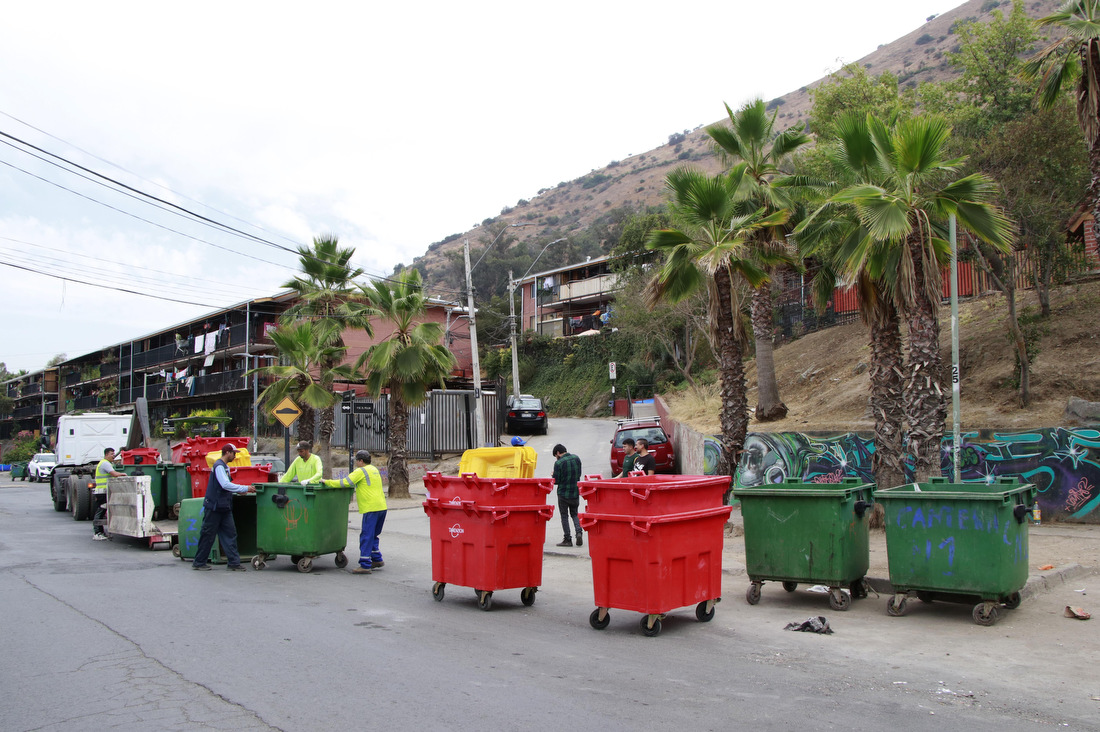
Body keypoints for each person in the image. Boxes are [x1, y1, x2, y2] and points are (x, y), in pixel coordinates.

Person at [192, 445, 255, 571]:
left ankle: (233, 562)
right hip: (214, 507)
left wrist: (238, 492)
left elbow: (225, 487)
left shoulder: (225, 467)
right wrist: (244, 488)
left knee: (230, 534)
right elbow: (225, 485)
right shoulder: (219, 466)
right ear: (227, 452)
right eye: (233, 453)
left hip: (223, 506)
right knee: (208, 535)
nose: (235, 456)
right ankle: (199, 562)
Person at [323, 450, 386, 574]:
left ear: (360, 461)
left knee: (366, 536)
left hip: (371, 508)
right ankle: (377, 559)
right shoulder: (374, 469)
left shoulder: (360, 471)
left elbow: (345, 483)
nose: (356, 463)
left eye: (356, 460)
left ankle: (365, 565)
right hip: (382, 507)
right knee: (373, 535)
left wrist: (327, 482)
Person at [551, 444, 583, 547]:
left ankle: (567, 539)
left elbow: (556, 481)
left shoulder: (558, 463)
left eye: (556, 456)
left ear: (558, 453)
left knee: (564, 516)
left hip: (563, 493)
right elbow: (579, 474)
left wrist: (553, 475)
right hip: (575, 492)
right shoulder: (576, 458)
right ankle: (579, 532)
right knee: (574, 514)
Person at [92, 447, 125, 540]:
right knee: (101, 511)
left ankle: (101, 532)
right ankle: (97, 533)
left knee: (102, 511)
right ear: (106, 454)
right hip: (102, 492)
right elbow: (114, 474)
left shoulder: (105, 463)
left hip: (103, 491)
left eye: (114, 454)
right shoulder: (105, 464)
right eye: (111, 454)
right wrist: (123, 474)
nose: (113, 456)